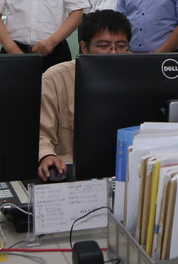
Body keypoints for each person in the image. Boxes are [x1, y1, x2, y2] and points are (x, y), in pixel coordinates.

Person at [37, 10, 132, 182]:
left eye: (121, 45)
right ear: (84, 47)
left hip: (125, 171)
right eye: (103, 45)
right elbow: (41, 134)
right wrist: (46, 155)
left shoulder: (137, 79)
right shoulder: (55, 79)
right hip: (69, 171)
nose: (113, 52)